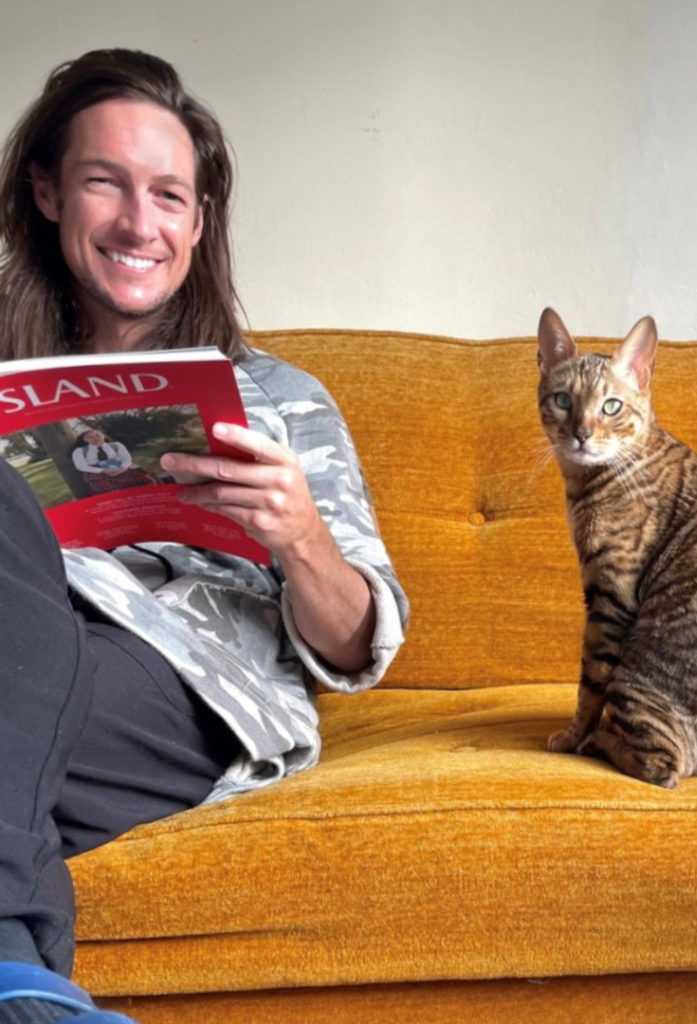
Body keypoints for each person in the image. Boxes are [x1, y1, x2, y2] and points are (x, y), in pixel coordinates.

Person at [0, 49, 408, 1023]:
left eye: (169, 196)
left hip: (184, 683)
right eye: (106, 183)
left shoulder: (281, 397)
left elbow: (361, 644)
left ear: (197, 220)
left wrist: (300, 536)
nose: (140, 223)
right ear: (49, 193)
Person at [70, 428, 159, 491]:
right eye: (89, 437)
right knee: (114, 490)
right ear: (84, 440)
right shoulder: (80, 451)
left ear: (103, 436)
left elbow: (126, 458)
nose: (95, 438)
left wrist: (122, 468)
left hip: (121, 469)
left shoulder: (116, 445)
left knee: (146, 481)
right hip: (99, 474)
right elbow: (81, 466)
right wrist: (103, 470)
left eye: (97, 435)